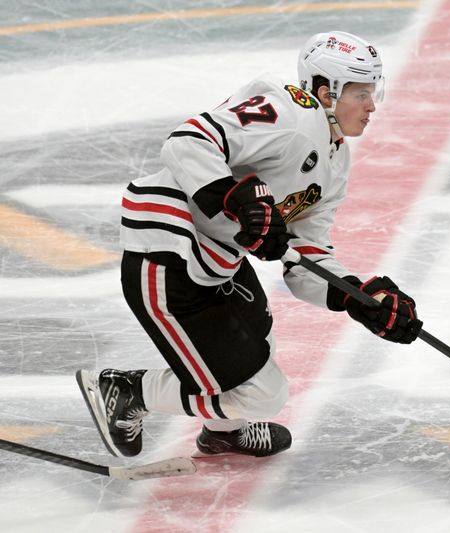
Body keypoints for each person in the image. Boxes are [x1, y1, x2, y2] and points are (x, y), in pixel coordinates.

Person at [76, 31, 422, 458]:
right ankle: (128, 389)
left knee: (260, 346)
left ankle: (223, 430)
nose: (372, 106)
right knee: (263, 394)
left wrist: (359, 296)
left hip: (217, 260)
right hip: (169, 251)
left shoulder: (336, 160)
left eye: (374, 91)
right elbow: (189, 139)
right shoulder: (290, 113)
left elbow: (307, 255)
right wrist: (231, 193)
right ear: (322, 91)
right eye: (360, 92)